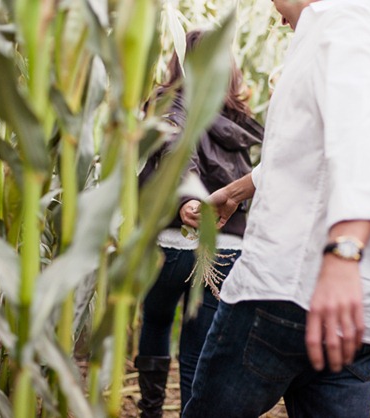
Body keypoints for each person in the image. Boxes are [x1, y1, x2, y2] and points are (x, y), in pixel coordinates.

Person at [181, 0, 370, 417]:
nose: (274, 10)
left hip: (284, 294)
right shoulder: (357, 27)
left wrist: (343, 256)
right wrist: (235, 193)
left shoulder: (341, 25)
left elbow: (361, 142)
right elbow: (310, 151)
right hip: (356, 311)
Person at [135, 30, 264, 418]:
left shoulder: (171, 105)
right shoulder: (238, 118)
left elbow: (176, 148)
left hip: (174, 244)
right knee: (198, 345)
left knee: (156, 321)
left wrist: (189, 196)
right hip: (226, 249)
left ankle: (151, 411)